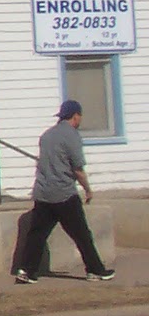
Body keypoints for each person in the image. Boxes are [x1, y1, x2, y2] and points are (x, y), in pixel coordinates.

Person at [14, 99, 115, 284]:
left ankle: (27, 271)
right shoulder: (72, 136)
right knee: (82, 235)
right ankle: (95, 270)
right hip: (64, 194)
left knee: (37, 234)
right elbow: (77, 169)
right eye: (79, 116)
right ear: (75, 116)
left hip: (43, 193)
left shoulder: (46, 136)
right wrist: (88, 190)